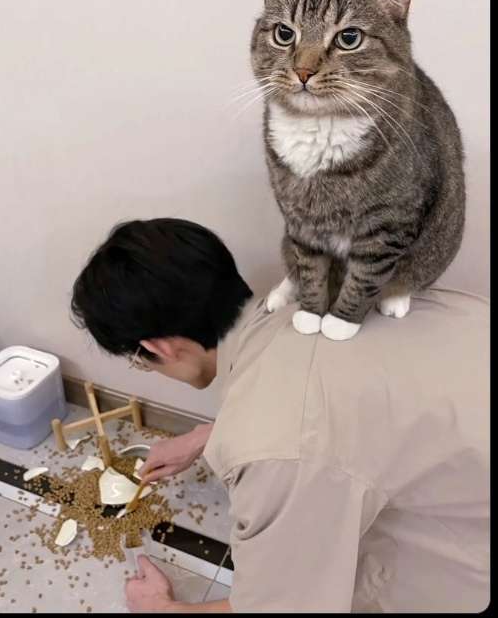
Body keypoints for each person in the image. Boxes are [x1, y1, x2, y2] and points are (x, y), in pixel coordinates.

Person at [71, 218, 489, 613]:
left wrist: (162, 609)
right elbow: (347, 407)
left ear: (158, 347)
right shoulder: (320, 292)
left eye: (140, 361)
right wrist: (207, 435)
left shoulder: (275, 451)